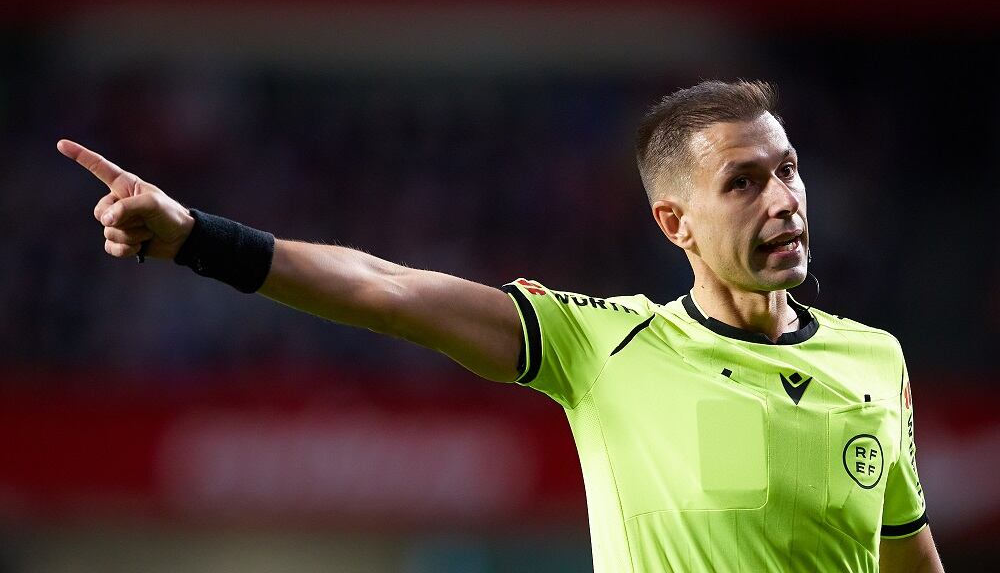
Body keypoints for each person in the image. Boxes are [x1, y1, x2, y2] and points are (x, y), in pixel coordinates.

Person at [58, 79, 944, 572]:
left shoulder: (874, 360)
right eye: (743, 181)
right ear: (675, 224)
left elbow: (907, 560)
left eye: (788, 170)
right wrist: (194, 239)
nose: (784, 197)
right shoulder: (608, 348)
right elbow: (385, 288)